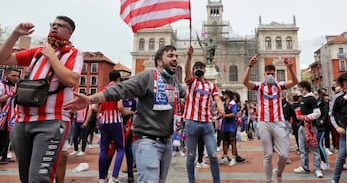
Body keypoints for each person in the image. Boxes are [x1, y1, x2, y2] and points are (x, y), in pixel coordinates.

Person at [63, 45, 186, 183]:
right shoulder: (148, 77)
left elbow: (188, 91)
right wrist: (90, 99)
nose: (175, 58)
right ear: (159, 61)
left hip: (167, 142)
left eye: (176, 56)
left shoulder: (174, 83)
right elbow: (121, 89)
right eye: (170, 56)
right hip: (148, 142)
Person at [0, 16, 83, 183]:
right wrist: (15, 34)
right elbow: (3, 58)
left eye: (61, 26)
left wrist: (52, 56)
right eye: (53, 24)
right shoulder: (37, 52)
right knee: (26, 177)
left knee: (39, 178)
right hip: (22, 121)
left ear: (70, 33)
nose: (54, 27)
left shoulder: (73, 53)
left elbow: (71, 80)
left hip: (51, 121)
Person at [243, 54, 298, 183]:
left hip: (278, 122)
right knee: (267, 154)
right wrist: (250, 66)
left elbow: (295, 82)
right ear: (264, 74)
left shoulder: (280, 85)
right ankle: (268, 180)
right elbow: (245, 82)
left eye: (272, 73)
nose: (270, 76)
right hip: (263, 122)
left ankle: (278, 173)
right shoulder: (259, 86)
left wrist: (290, 68)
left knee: (284, 154)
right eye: (268, 73)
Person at [183, 46, 224, 183]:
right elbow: (187, 71)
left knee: (213, 155)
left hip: (207, 124)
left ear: (205, 70)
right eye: (196, 68)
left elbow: (217, 98)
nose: (198, 70)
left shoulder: (211, 86)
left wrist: (221, 108)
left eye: (201, 68)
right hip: (191, 122)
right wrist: (189, 57)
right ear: (194, 71)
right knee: (190, 155)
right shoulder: (191, 82)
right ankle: (191, 181)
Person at [97, 70, 129, 183]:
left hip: (104, 122)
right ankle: (114, 177)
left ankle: (101, 177)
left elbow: (96, 108)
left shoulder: (103, 89)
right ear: (118, 79)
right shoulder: (118, 89)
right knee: (121, 148)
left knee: (103, 150)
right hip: (115, 121)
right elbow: (120, 106)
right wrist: (127, 112)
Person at [293, 80, 324, 179]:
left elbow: (317, 112)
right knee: (302, 148)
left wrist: (305, 117)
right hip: (302, 126)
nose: (299, 89)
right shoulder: (304, 98)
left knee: (314, 148)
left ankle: (317, 168)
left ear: (304, 87)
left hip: (310, 126)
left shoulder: (311, 98)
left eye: (300, 87)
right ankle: (304, 166)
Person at [0, 68, 19, 164]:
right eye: (13, 76)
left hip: (9, 116)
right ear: (5, 75)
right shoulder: (1, 85)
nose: (16, 78)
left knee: (6, 138)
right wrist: (10, 94)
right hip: (1, 116)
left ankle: (4, 157)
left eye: (17, 76)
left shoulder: (15, 86)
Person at [219, 89, 238, 166]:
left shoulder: (233, 103)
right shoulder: (224, 104)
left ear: (228, 95)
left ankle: (234, 158)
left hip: (231, 125)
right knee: (224, 141)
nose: (223, 95)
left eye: (225, 94)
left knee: (232, 141)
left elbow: (234, 113)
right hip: (224, 125)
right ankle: (225, 157)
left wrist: (225, 116)